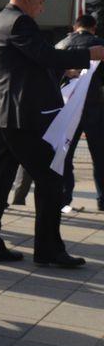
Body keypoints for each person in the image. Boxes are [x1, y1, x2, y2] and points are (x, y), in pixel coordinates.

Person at [0, 0, 104, 266]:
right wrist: (89, 55)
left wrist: (65, 71)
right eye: (40, 2)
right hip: (21, 118)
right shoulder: (20, 22)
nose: (42, 7)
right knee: (50, 179)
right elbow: (44, 55)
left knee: (0, 182)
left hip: (2, 115)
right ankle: (49, 249)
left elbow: (26, 63)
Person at [56, 14, 104, 211]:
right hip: (96, 107)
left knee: (65, 154)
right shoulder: (100, 44)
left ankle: (64, 196)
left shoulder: (62, 44)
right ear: (94, 28)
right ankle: (102, 199)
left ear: (76, 27)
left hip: (69, 107)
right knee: (100, 156)